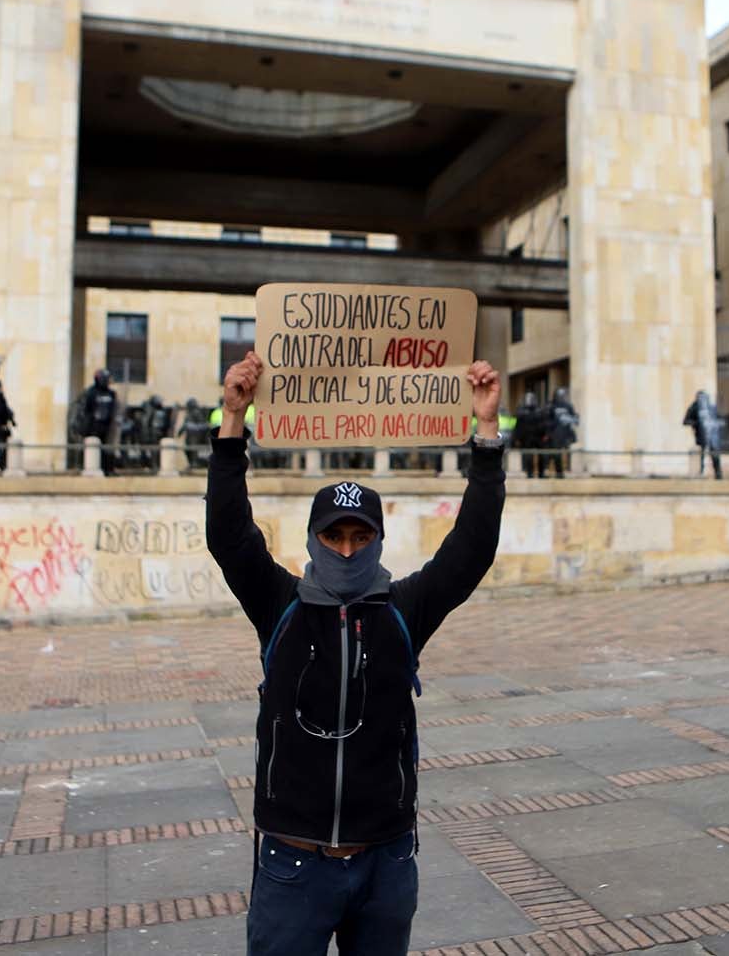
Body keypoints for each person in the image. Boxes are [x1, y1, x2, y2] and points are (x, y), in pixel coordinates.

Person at [207, 351, 505, 956]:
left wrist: (487, 434)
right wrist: (233, 420)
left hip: (386, 862)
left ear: (377, 540)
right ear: (314, 540)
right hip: (293, 860)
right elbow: (229, 534)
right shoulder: (280, 603)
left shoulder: (403, 609)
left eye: (360, 536)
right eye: (334, 536)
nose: (346, 550)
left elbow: (470, 549)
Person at [78, 369, 120, 475]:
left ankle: (108, 469)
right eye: (105, 378)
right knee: (92, 448)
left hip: (108, 426)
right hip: (93, 426)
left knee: (107, 449)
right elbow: (85, 410)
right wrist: (86, 426)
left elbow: (114, 409)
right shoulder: (90, 393)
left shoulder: (111, 394)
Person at [682, 390, 723, 480]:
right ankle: (700, 472)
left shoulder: (712, 408)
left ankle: (718, 474)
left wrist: (716, 424)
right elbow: (686, 421)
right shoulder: (694, 408)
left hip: (712, 437)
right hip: (701, 437)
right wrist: (697, 424)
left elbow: (719, 419)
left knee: (715, 454)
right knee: (701, 455)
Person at [542, 387, 579, 478]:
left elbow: (575, 419)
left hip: (565, 434)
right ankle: (551, 472)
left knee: (562, 454)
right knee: (552, 454)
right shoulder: (551, 405)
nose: (562, 397)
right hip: (553, 435)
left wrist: (570, 420)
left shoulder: (568, 406)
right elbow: (546, 420)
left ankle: (561, 472)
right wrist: (548, 432)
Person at [511, 391, 545, 477]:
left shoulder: (539, 411)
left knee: (541, 455)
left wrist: (545, 434)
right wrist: (516, 438)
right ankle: (529, 473)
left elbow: (543, 424)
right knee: (528, 456)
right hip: (526, 437)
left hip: (537, 437)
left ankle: (541, 473)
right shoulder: (521, 412)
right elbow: (518, 427)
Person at [182, 397, 209, 469]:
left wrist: (191, 427)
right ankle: (192, 463)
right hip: (190, 436)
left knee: (193, 450)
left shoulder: (197, 413)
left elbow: (204, 425)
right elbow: (185, 424)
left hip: (195, 437)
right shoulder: (189, 413)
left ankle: (194, 463)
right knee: (188, 450)